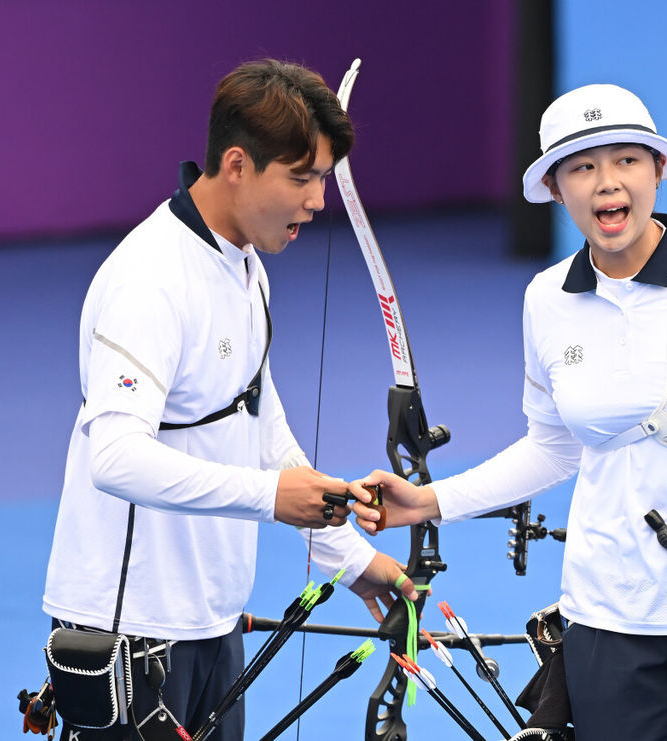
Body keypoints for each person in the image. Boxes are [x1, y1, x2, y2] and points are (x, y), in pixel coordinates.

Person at [348, 84, 667, 741]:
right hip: (606, 616)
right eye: (582, 167)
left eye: (625, 160)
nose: (606, 182)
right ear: (557, 189)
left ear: (657, 171)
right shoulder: (546, 298)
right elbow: (552, 446)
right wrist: (425, 501)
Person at [42, 59, 418, 740]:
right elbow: (116, 458)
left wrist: (347, 555)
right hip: (129, 629)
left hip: (211, 618)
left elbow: (259, 420)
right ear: (238, 165)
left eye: (324, 179)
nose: (317, 201)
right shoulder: (149, 281)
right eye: (301, 178)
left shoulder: (245, 264)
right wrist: (269, 496)